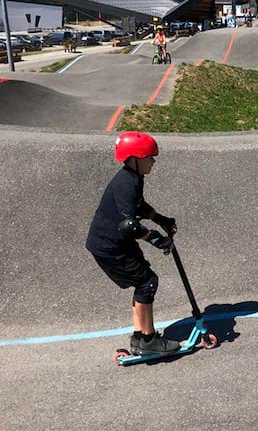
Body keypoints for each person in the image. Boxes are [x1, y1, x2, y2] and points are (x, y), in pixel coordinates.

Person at [86, 132, 181, 356]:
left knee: (144, 282)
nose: (153, 161)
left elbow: (138, 207)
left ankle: (140, 337)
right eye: (149, 157)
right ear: (134, 159)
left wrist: (160, 219)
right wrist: (156, 239)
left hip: (116, 242)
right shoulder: (125, 183)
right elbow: (129, 225)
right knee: (147, 282)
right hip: (110, 246)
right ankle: (147, 341)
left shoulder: (134, 178)